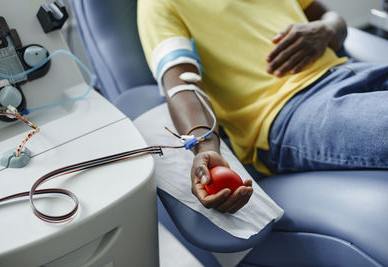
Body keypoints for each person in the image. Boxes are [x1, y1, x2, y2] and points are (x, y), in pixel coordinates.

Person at [137, 0, 388, 214]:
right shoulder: (158, 4)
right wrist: (206, 147)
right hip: (289, 111)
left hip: (348, 70)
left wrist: (325, 29)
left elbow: (329, 17)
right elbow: (182, 86)